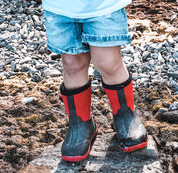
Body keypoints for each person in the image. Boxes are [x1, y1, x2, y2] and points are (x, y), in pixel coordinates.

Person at [42, 0, 148, 162]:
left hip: (103, 5)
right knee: (72, 65)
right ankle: (81, 123)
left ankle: (125, 115)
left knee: (108, 62)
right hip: (60, 7)